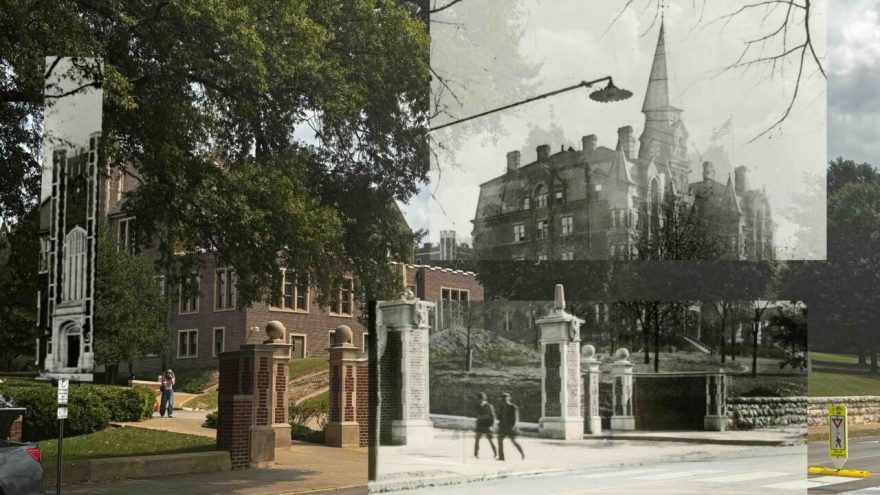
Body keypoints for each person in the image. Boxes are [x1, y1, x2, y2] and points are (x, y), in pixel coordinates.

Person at [497, 392, 525, 461]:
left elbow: (516, 418)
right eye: (503, 399)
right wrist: (499, 423)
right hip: (503, 427)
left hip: (510, 427)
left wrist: (512, 426)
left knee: (513, 441)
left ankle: (522, 453)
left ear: (509, 398)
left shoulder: (513, 407)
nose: (504, 400)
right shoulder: (501, 407)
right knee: (499, 440)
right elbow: (499, 417)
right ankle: (501, 457)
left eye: (505, 398)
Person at [473, 392, 497, 459]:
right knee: (477, 440)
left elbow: (493, 416)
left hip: (487, 426)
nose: (478, 400)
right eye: (478, 399)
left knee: (490, 440)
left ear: (483, 399)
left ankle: (495, 453)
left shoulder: (489, 406)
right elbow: (478, 415)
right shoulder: (478, 406)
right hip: (480, 425)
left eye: (479, 399)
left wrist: (491, 425)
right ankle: (475, 454)